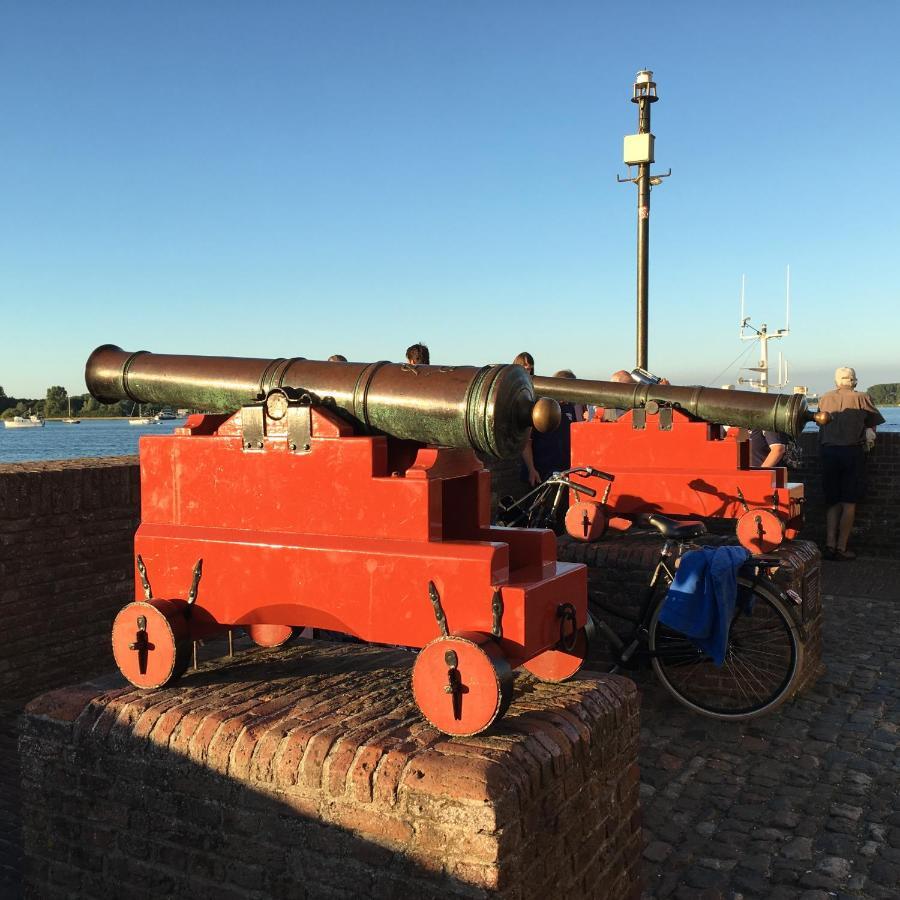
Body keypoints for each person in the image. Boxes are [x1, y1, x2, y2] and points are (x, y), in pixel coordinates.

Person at [817, 366, 885, 561]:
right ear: (853, 380)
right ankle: (841, 547)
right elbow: (873, 422)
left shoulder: (824, 398)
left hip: (828, 451)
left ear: (837, 380)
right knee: (849, 502)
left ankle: (829, 545)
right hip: (851, 452)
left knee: (832, 501)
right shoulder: (861, 397)